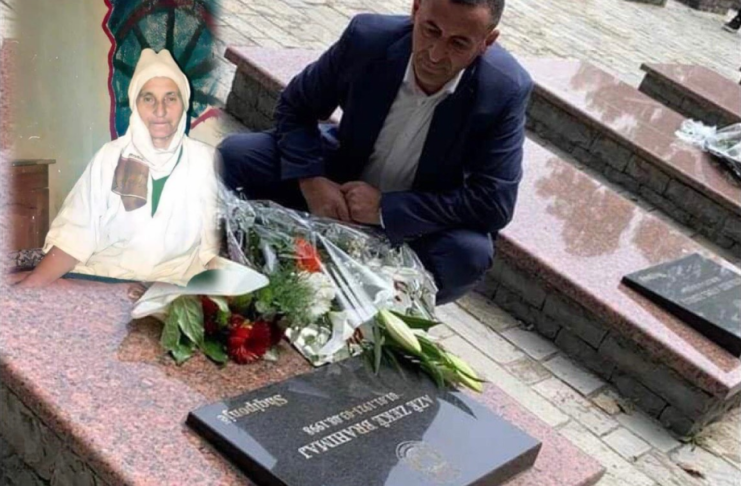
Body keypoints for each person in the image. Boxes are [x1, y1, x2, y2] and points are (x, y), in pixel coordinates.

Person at [219, 0, 532, 305]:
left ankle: (381, 309)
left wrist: (386, 208)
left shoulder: (503, 88)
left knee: (469, 254)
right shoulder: (368, 38)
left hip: (413, 224)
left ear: (486, 42)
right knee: (237, 154)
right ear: (416, 8)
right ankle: (251, 256)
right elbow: (296, 106)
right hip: (338, 185)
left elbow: (494, 202)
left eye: (458, 43)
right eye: (431, 31)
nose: (436, 55)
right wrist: (312, 181)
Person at [18, 49, 220, 288]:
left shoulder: (206, 162)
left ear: (183, 103)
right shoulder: (111, 157)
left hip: (169, 288)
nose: (160, 110)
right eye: (148, 98)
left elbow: (216, 253)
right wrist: (30, 287)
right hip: (103, 279)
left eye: (170, 98)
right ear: (135, 105)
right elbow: (75, 237)